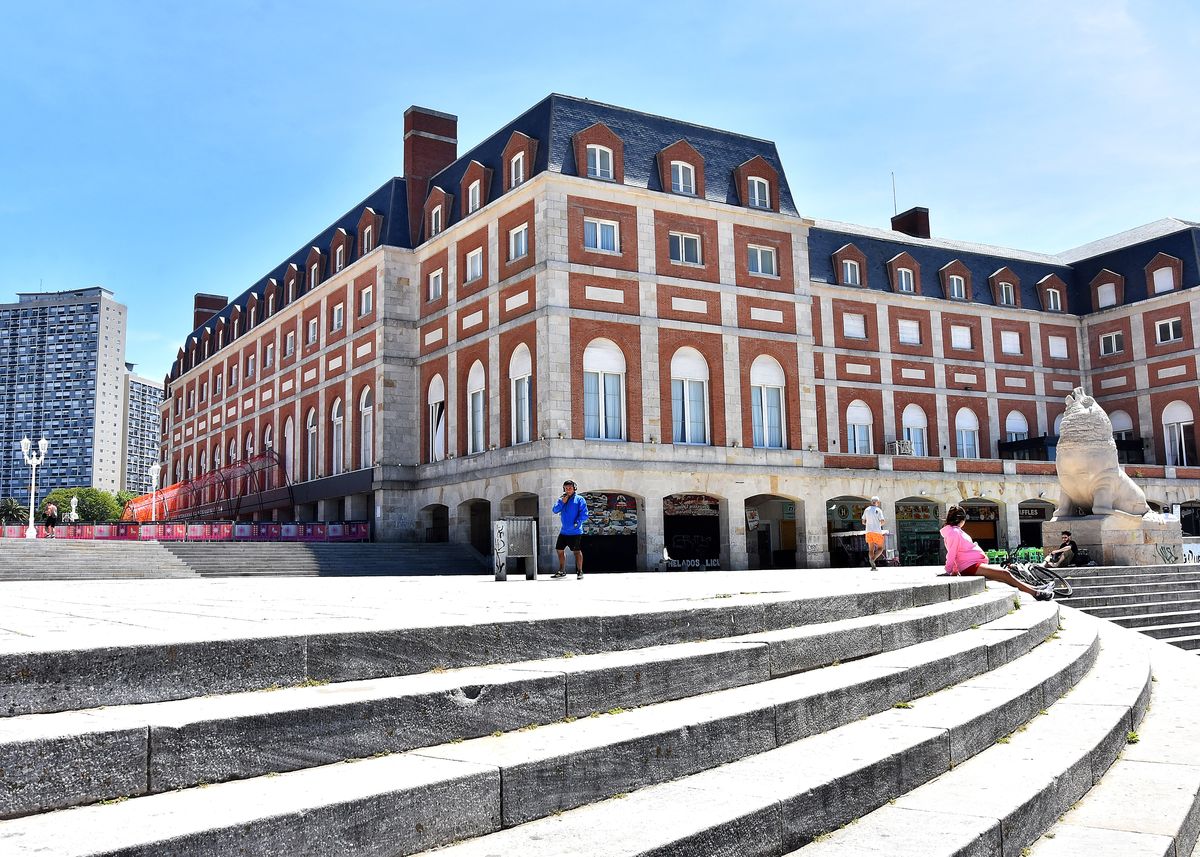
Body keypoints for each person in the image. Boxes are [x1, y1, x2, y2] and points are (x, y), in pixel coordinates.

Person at [940, 505, 1052, 600]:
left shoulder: (954, 531)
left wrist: (953, 569)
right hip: (969, 566)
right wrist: (949, 570)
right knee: (1005, 574)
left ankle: (1036, 589)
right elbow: (951, 553)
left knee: (1003, 577)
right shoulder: (954, 532)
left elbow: (954, 551)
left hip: (972, 564)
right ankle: (1036, 594)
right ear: (961, 520)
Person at [552, 480, 589, 579]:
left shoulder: (580, 499)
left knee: (576, 551)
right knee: (559, 550)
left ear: (574, 488)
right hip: (564, 531)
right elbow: (555, 510)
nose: (568, 490)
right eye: (566, 488)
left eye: (570, 488)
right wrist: (562, 503)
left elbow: (584, 514)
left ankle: (580, 571)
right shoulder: (562, 499)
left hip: (575, 531)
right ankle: (562, 570)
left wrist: (578, 522)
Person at [861, 497, 886, 570]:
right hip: (877, 531)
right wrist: (878, 525)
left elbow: (863, 521)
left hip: (868, 531)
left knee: (871, 549)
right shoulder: (878, 510)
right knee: (880, 548)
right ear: (877, 502)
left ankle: (873, 566)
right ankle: (873, 559)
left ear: (871, 502)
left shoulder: (866, 510)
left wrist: (869, 524)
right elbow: (883, 521)